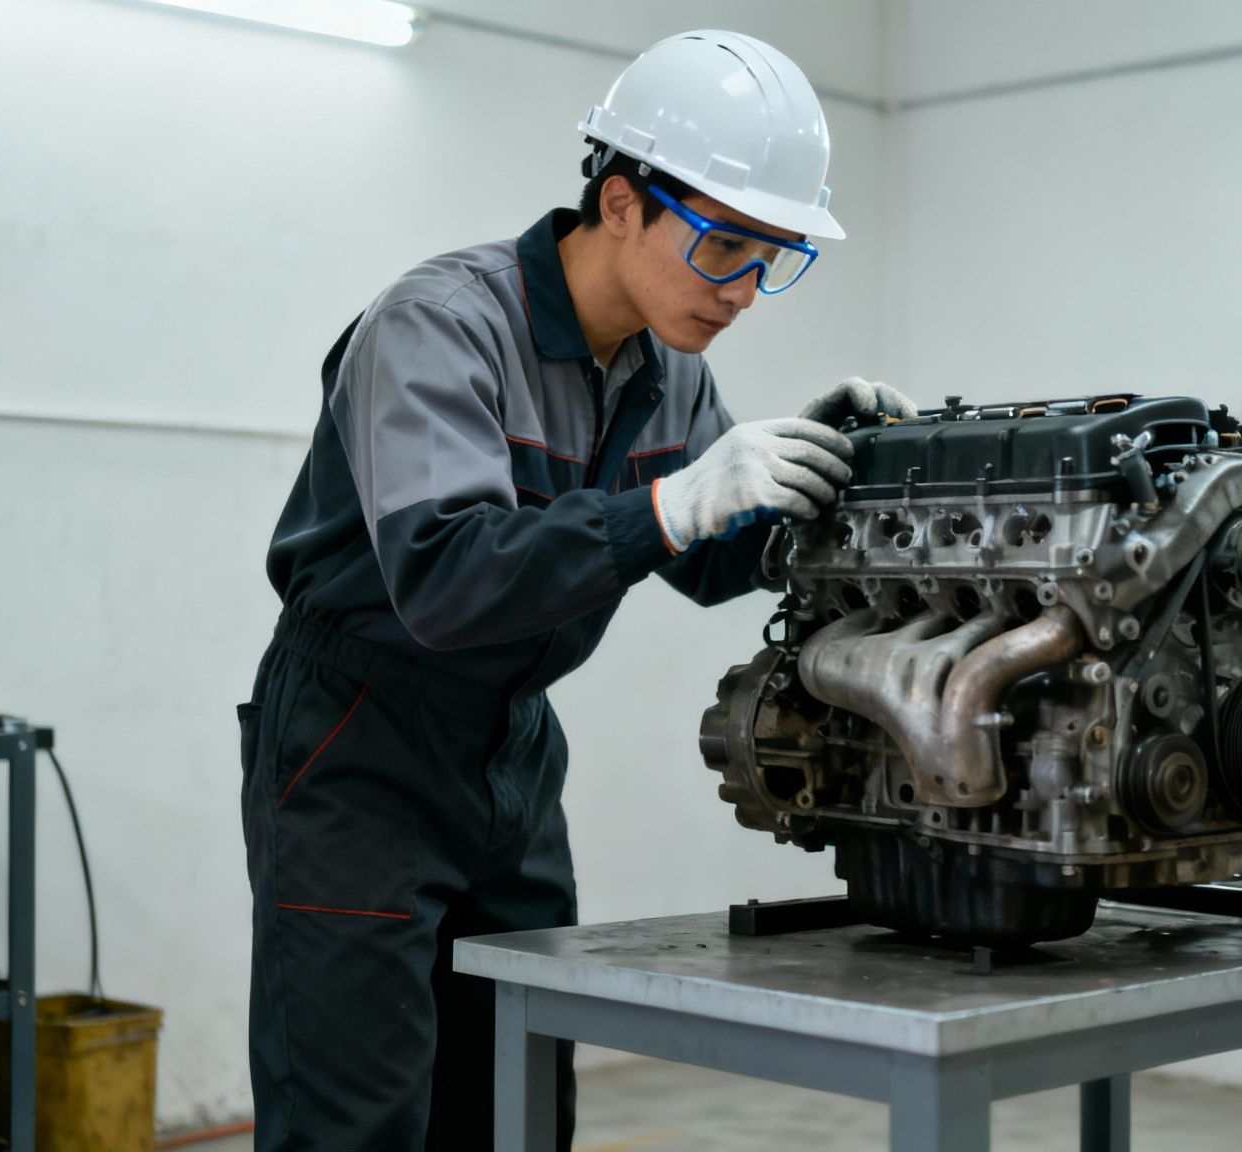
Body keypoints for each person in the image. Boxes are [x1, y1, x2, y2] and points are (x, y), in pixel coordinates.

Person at [235, 28, 916, 1152]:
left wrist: (809, 483)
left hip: (509, 753)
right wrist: (669, 505)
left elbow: (702, 559)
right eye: (723, 248)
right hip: (356, 749)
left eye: (772, 257)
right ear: (618, 202)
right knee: (353, 1123)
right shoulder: (439, 328)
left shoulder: (666, 365)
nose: (744, 291)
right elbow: (443, 581)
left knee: (513, 1107)